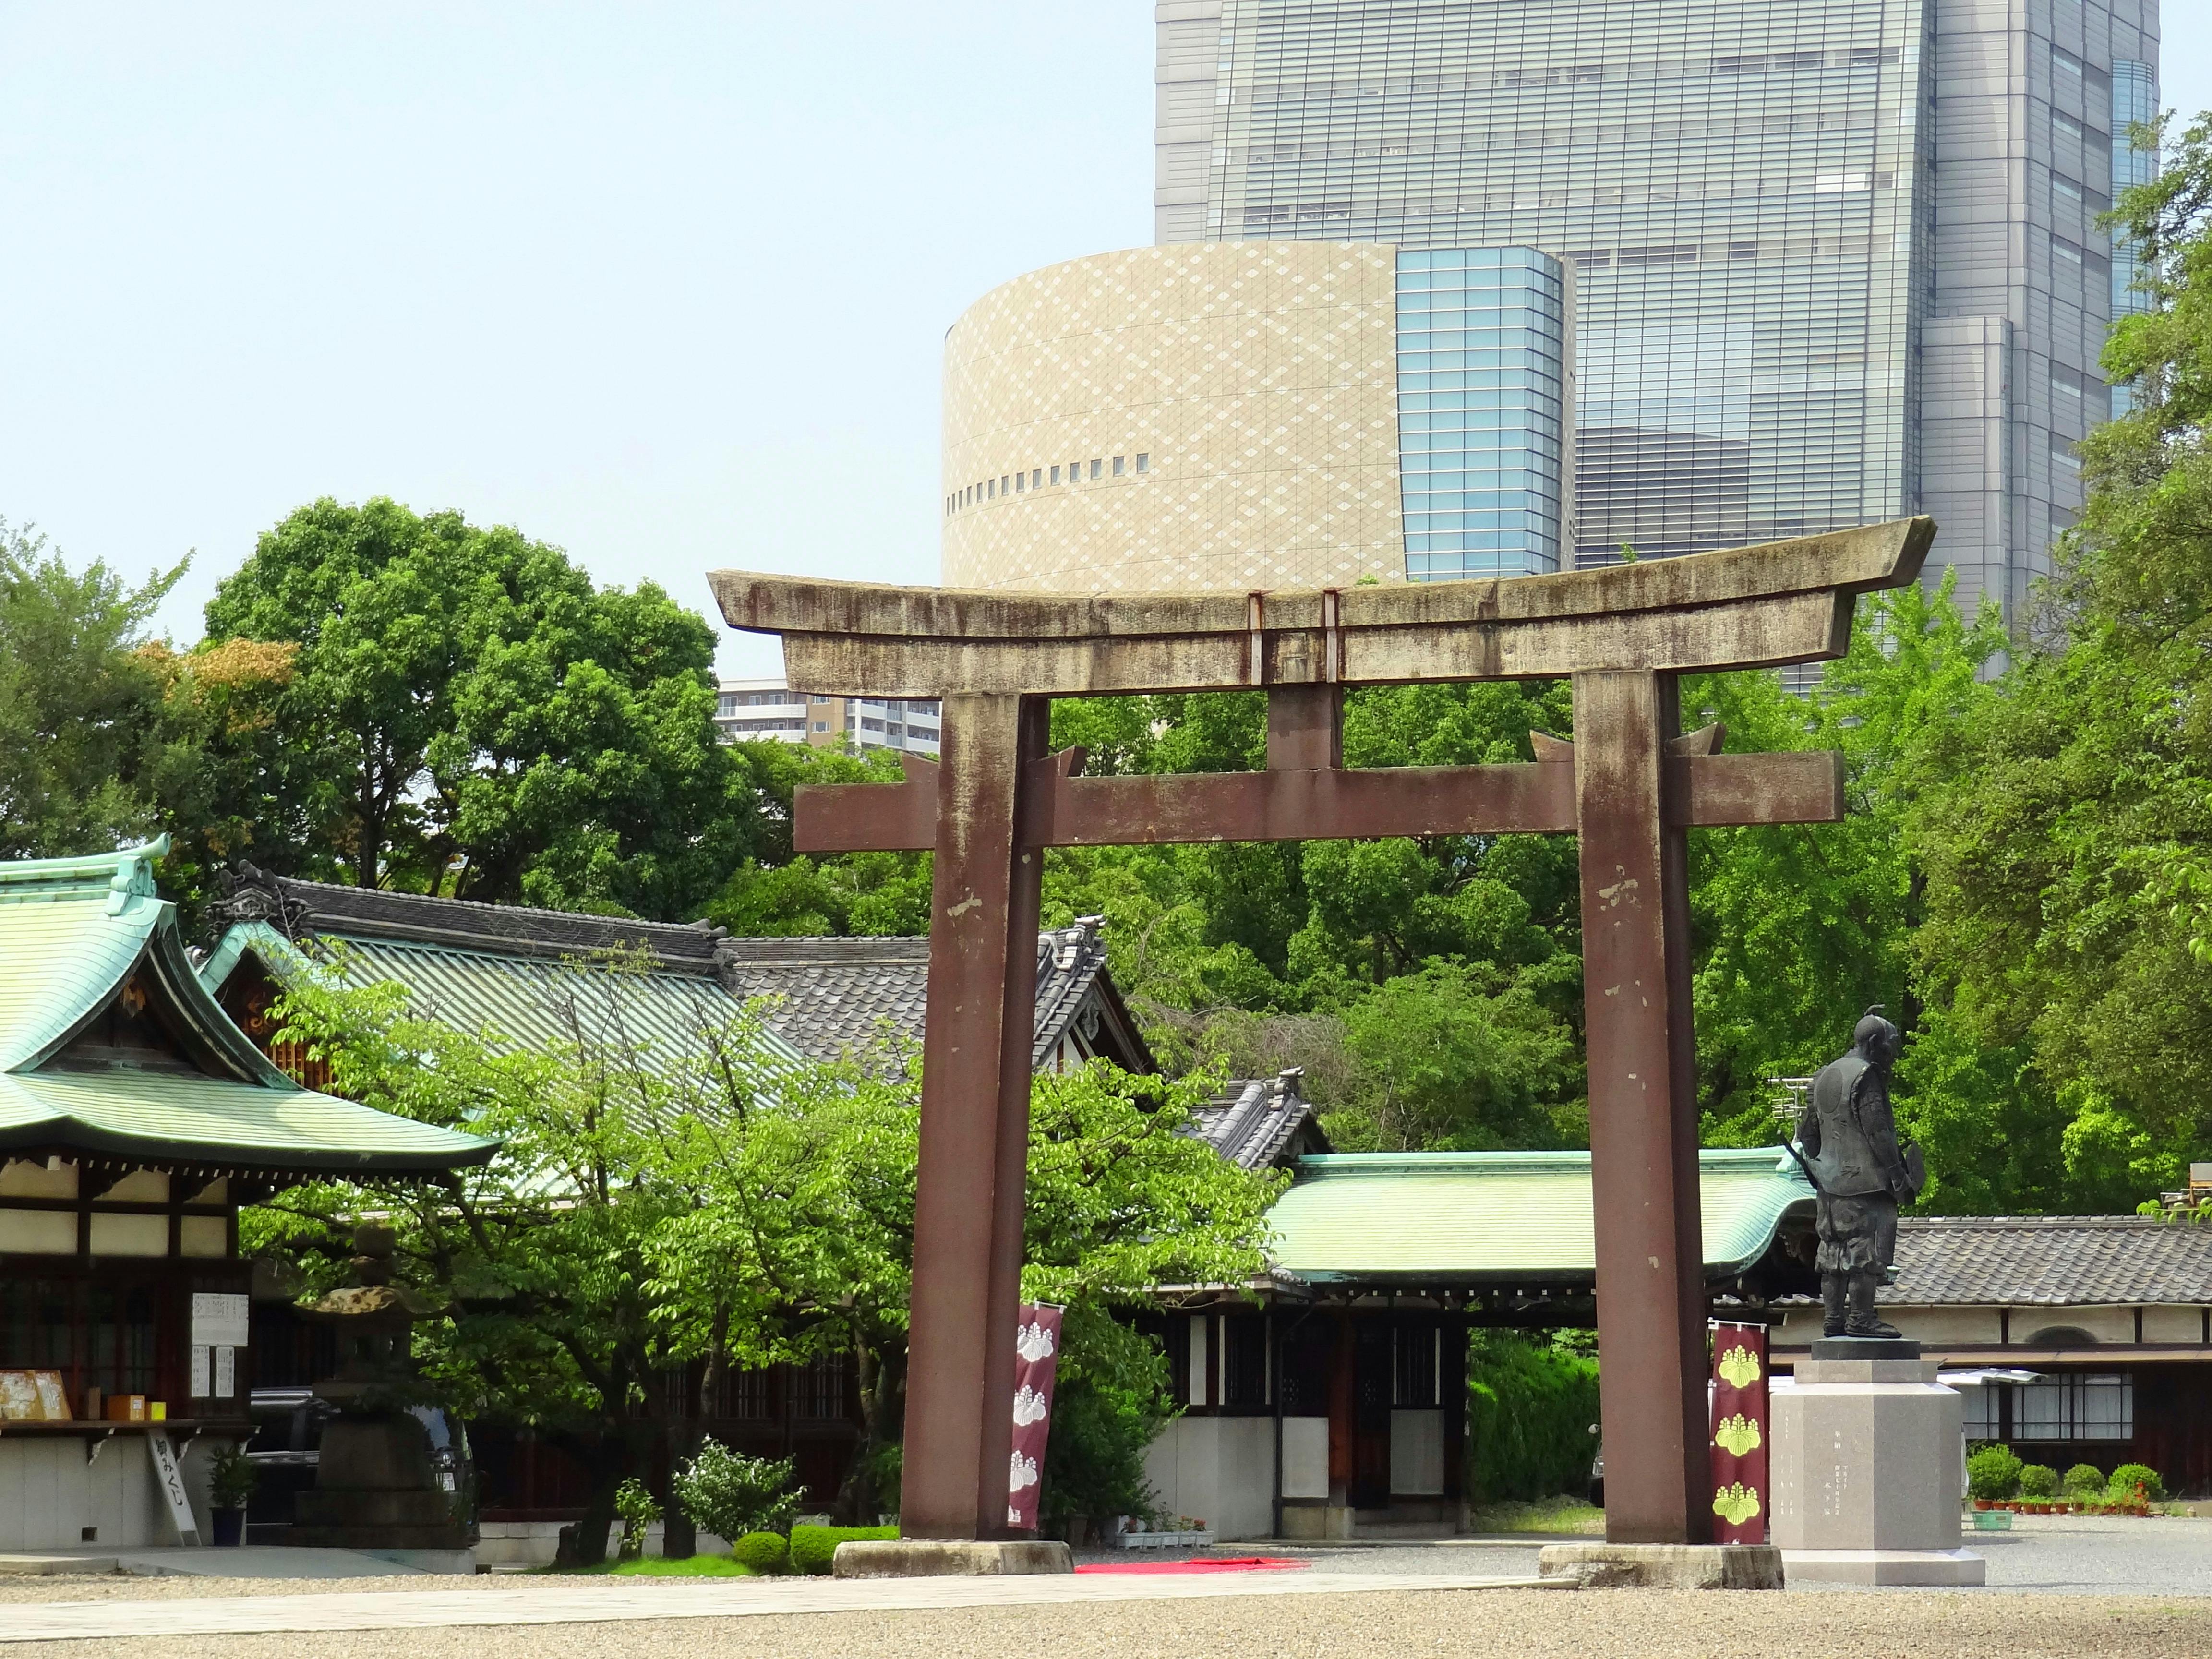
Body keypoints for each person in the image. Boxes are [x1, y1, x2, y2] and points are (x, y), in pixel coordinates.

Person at [1798, 1007, 1923, 1340]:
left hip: (1828, 1186)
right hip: (1864, 1184)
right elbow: (1878, 1132)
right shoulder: (1866, 1076)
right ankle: (1861, 1319)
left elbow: (1808, 1133)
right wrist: (1898, 1175)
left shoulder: (1823, 1076)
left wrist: (1823, 1165)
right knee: (1862, 1251)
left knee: (1832, 1251)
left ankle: (1834, 1318)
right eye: (1890, 1046)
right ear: (1873, 1042)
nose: (1893, 1055)